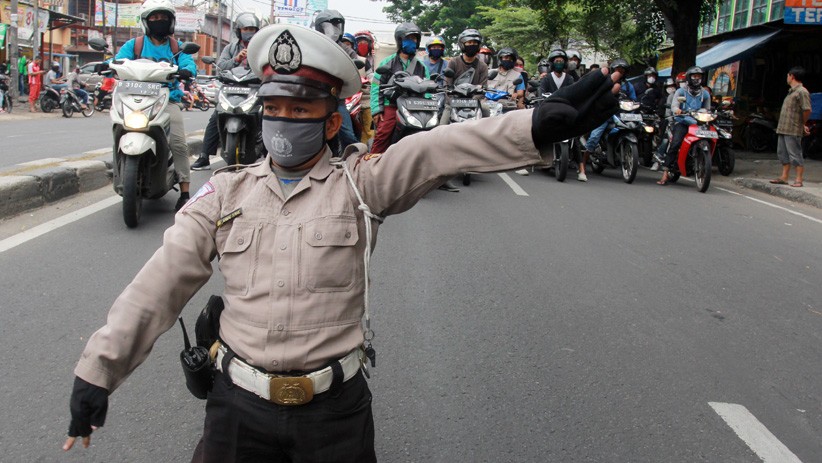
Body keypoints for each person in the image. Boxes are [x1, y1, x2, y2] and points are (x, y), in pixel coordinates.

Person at [62, 22, 623, 460]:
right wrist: (98, 373)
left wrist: (534, 126)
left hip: (334, 413)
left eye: (301, 111)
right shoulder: (223, 193)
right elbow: (159, 283)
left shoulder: (363, 183)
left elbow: (435, 149)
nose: (284, 123)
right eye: (275, 109)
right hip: (234, 409)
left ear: (332, 122)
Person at [111, 0, 197, 210]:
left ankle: (185, 192)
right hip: (134, 98)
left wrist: (186, 70)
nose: (159, 22)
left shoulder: (176, 47)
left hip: (167, 99)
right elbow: (117, 61)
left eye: (163, 18)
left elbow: (189, 64)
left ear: (171, 21)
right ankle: (118, 172)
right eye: (154, 18)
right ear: (146, 22)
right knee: (117, 128)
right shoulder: (135, 45)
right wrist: (106, 65)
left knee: (178, 143)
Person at [191, 11, 261, 171]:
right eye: (246, 29)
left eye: (252, 29)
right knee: (216, 116)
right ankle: (204, 156)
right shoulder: (231, 48)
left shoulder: (262, 48)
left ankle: (268, 154)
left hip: (255, 88)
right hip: (231, 88)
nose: (249, 32)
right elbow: (221, 66)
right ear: (239, 31)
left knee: (266, 114)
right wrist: (236, 59)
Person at [370, 22, 429, 155]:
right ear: (400, 40)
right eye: (409, 39)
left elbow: (428, 89)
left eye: (414, 39)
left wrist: (428, 106)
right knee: (383, 132)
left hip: (415, 107)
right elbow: (375, 87)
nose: (412, 42)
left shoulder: (421, 66)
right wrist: (376, 110)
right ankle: (372, 163)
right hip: (391, 105)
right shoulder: (387, 62)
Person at [579, 58, 635, 182]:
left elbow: (633, 100)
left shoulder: (628, 85)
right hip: (605, 114)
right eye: (618, 70)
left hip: (621, 115)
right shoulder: (606, 82)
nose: (620, 72)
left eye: (622, 70)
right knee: (594, 137)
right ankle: (582, 163)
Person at [314, 9, 361, 151]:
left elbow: (355, 60)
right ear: (320, 27)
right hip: (315, 97)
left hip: (336, 98)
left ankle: (352, 161)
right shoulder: (313, 45)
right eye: (330, 25)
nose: (334, 30)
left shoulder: (344, 48)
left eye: (337, 26)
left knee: (348, 135)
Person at [658, 65, 710, 185]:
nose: (697, 79)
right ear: (689, 77)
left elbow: (707, 109)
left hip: (698, 122)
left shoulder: (705, 94)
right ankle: (665, 172)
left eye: (699, 76)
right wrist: (678, 110)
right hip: (683, 121)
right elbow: (674, 106)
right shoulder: (681, 91)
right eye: (694, 76)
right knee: (675, 143)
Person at [770, 66, 812, 188]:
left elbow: (807, 109)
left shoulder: (802, 91)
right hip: (783, 127)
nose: (787, 78)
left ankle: (799, 179)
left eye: (788, 75)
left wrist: (802, 124)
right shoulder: (791, 92)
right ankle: (784, 177)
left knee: (795, 154)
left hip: (793, 128)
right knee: (782, 153)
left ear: (792, 76)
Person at [650, 77, 678, 171]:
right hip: (669, 121)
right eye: (669, 86)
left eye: (673, 86)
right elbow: (667, 112)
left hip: (683, 122)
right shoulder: (668, 97)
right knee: (665, 140)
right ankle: (657, 161)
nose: (671, 88)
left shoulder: (684, 95)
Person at [354, 30, 376, 146]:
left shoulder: (374, 59)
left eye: (365, 42)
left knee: (369, 129)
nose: (362, 44)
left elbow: (373, 78)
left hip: (367, 98)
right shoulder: (350, 58)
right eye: (359, 42)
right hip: (351, 98)